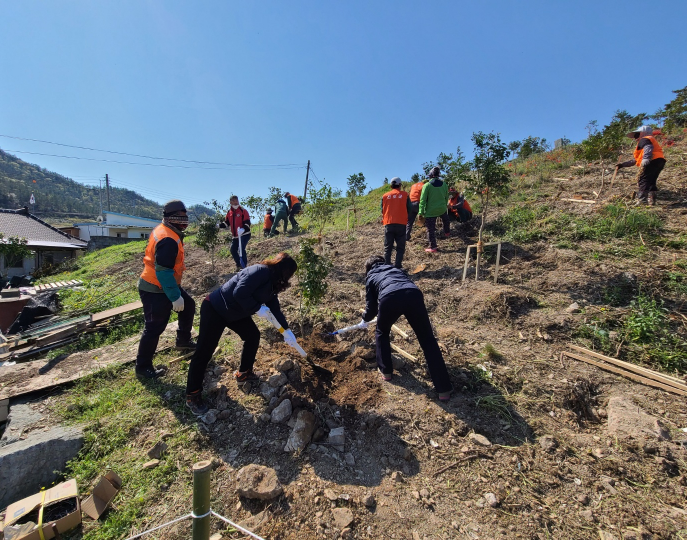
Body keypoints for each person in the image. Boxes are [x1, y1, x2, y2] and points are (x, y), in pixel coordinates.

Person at [185, 253, 299, 415]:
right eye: (289, 274)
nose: (288, 278)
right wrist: (257, 308)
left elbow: (275, 308)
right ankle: (193, 396)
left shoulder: (273, 283)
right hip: (216, 309)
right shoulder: (260, 271)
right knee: (204, 351)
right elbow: (239, 292)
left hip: (235, 313)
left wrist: (286, 331)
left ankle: (244, 373)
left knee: (252, 336)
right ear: (282, 268)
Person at [359, 255, 453, 401]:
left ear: (368, 268)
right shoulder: (395, 269)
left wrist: (364, 320)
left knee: (382, 331)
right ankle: (444, 390)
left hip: (389, 298)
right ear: (382, 262)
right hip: (413, 294)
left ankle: (386, 372)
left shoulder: (371, 276)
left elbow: (371, 309)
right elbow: (404, 286)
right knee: (427, 339)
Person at [135, 200, 196, 379]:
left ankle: (183, 340)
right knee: (154, 327)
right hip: (155, 287)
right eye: (183, 217)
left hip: (164, 284)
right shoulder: (168, 238)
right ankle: (143, 367)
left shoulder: (168, 230)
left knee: (188, 305)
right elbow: (163, 272)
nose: (185, 221)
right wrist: (175, 296)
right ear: (173, 217)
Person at [616, 125, 666, 206]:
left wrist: (646, 158)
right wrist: (622, 165)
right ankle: (652, 200)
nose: (635, 138)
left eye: (637, 135)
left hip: (651, 160)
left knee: (643, 180)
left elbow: (648, 147)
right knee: (651, 181)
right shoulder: (650, 140)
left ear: (643, 133)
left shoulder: (645, 139)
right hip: (660, 161)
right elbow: (636, 160)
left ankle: (642, 201)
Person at [381, 177, 411, 268]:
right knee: (400, 247)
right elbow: (409, 209)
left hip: (388, 223)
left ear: (391, 186)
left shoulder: (385, 196)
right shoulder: (405, 195)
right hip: (401, 224)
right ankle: (398, 266)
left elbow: (382, 210)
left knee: (388, 247)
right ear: (400, 185)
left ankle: (387, 266)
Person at [418, 166, 450, 252]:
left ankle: (433, 247)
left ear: (430, 175)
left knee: (430, 230)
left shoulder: (427, 185)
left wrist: (420, 212)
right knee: (446, 219)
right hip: (442, 209)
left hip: (430, 212)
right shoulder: (444, 184)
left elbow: (422, 200)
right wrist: (444, 205)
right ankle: (447, 232)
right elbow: (446, 197)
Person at [225, 196, 251, 270]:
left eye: (237, 201)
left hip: (244, 234)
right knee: (233, 250)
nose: (236, 202)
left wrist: (243, 229)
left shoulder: (243, 211)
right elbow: (226, 223)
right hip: (235, 236)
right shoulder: (229, 212)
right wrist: (218, 225)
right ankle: (238, 265)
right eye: (234, 201)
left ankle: (244, 267)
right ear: (230, 202)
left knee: (241, 249)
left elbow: (247, 223)